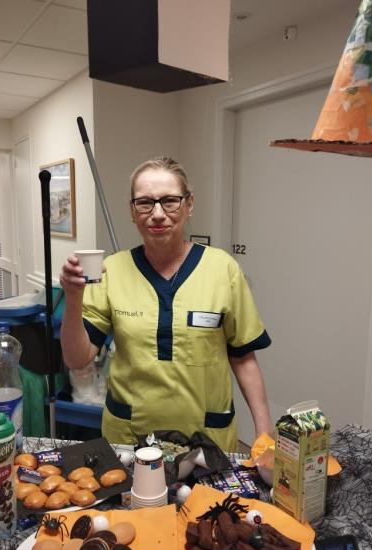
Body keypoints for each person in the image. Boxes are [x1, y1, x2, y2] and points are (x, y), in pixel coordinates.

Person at [59, 157, 273, 452]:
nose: (158, 214)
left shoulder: (223, 269)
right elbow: (76, 359)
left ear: (189, 204)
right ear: (132, 211)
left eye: (170, 201)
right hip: (129, 439)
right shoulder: (112, 271)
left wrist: (264, 433)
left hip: (206, 439)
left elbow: (243, 356)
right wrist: (73, 297)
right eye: (145, 203)